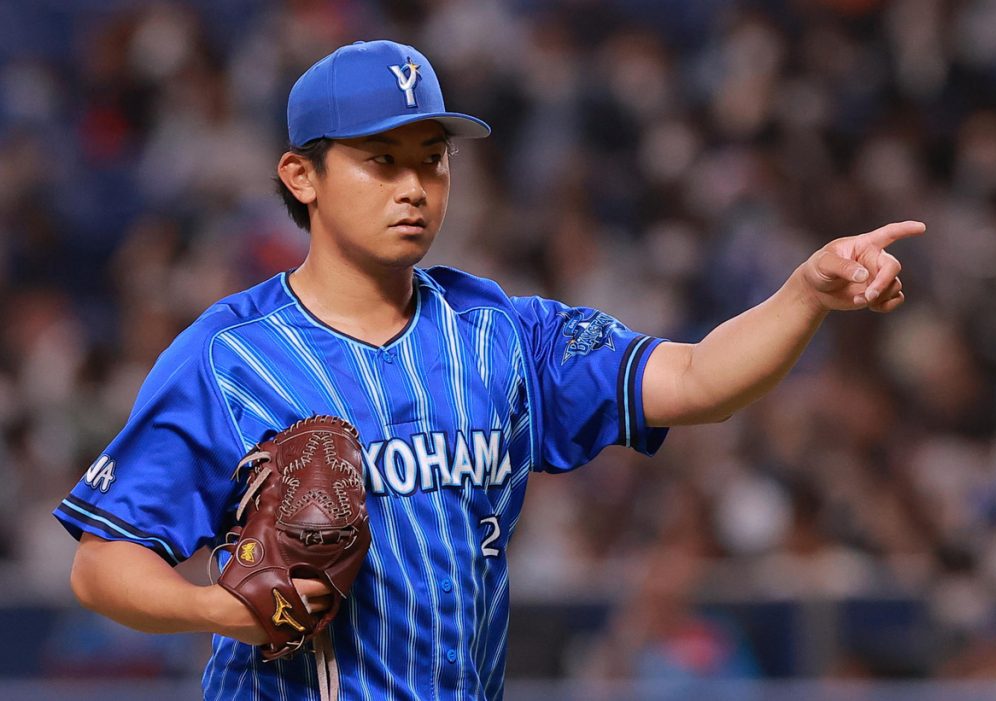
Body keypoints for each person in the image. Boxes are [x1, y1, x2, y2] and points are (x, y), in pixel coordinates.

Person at [54, 39, 923, 700]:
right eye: (380, 159)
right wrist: (223, 610)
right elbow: (102, 564)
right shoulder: (230, 353)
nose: (414, 187)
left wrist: (807, 290)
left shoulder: (503, 332)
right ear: (302, 175)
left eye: (432, 158)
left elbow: (698, 379)